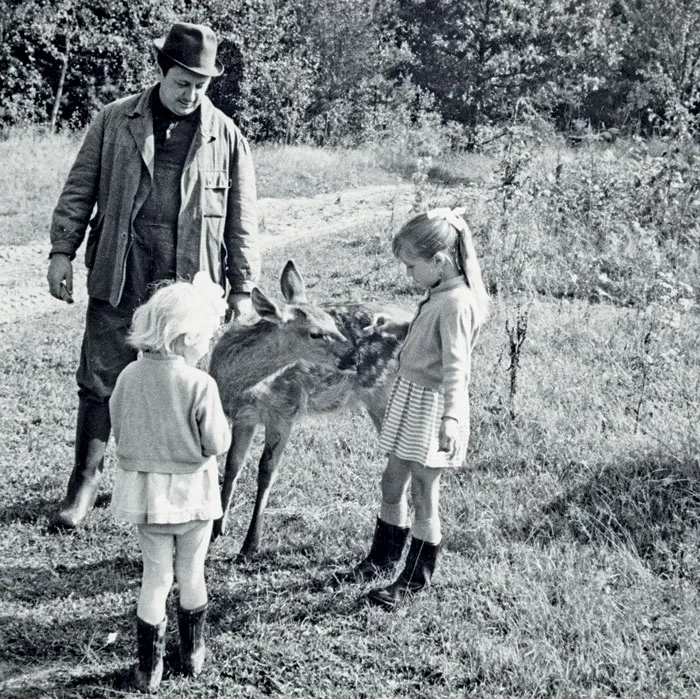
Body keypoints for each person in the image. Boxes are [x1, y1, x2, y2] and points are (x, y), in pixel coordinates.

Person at [46, 22, 258, 529]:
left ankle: (181, 485)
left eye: (200, 86)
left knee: (185, 380)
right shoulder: (115, 120)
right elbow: (80, 189)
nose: (189, 95)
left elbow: (242, 220)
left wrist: (243, 287)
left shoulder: (226, 136)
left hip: (190, 281)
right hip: (122, 264)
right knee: (100, 375)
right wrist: (61, 251)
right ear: (161, 72)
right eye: (181, 82)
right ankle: (86, 481)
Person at [333, 207, 489, 610]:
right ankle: (382, 558)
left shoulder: (456, 304)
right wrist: (387, 327)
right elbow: (424, 338)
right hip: (410, 400)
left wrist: (452, 418)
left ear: (439, 262)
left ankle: (415, 578)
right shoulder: (438, 293)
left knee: (424, 491)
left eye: (410, 266)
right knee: (391, 481)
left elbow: (457, 369)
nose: (407, 275)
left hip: (433, 409)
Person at [109, 273, 231, 692]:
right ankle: (193, 653)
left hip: (147, 496)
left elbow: (120, 432)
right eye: (204, 340)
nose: (207, 347)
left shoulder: (128, 377)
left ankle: (149, 668)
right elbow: (216, 442)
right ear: (184, 339)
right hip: (193, 495)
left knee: (155, 577)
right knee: (192, 571)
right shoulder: (200, 384)